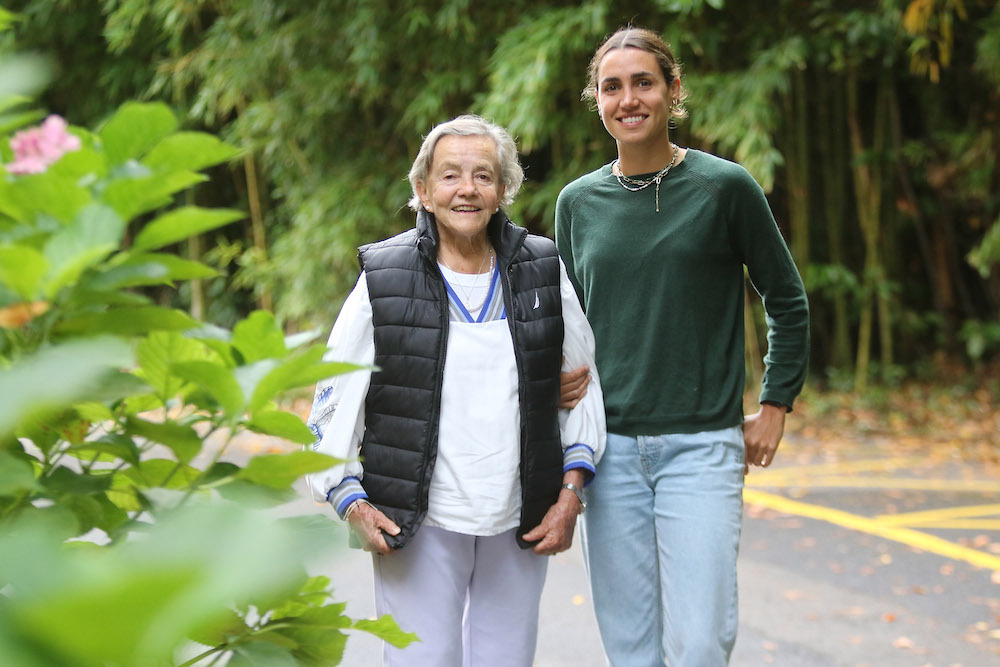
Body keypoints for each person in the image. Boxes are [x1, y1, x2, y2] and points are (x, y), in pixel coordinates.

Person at [306, 114, 606, 667]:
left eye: (483, 175)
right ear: (423, 190)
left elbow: (584, 386)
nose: (466, 189)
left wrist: (570, 494)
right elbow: (336, 393)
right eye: (450, 176)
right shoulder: (385, 275)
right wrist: (346, 496)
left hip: (521, 513)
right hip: (416, 518)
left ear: (504, 190)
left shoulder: (542, 267)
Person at [555, 27, 810, 666]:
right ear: (597, 99)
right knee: (631, 648)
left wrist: (774, 405)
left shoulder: (724, 187)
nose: (628, 98)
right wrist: (553, 379)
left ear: (673, 91)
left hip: (702, 448)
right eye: (612, 86)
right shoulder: (577, 203)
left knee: (700, 643)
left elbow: (787, 300)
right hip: (607, 453)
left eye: (644, 82)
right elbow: (566, 322)